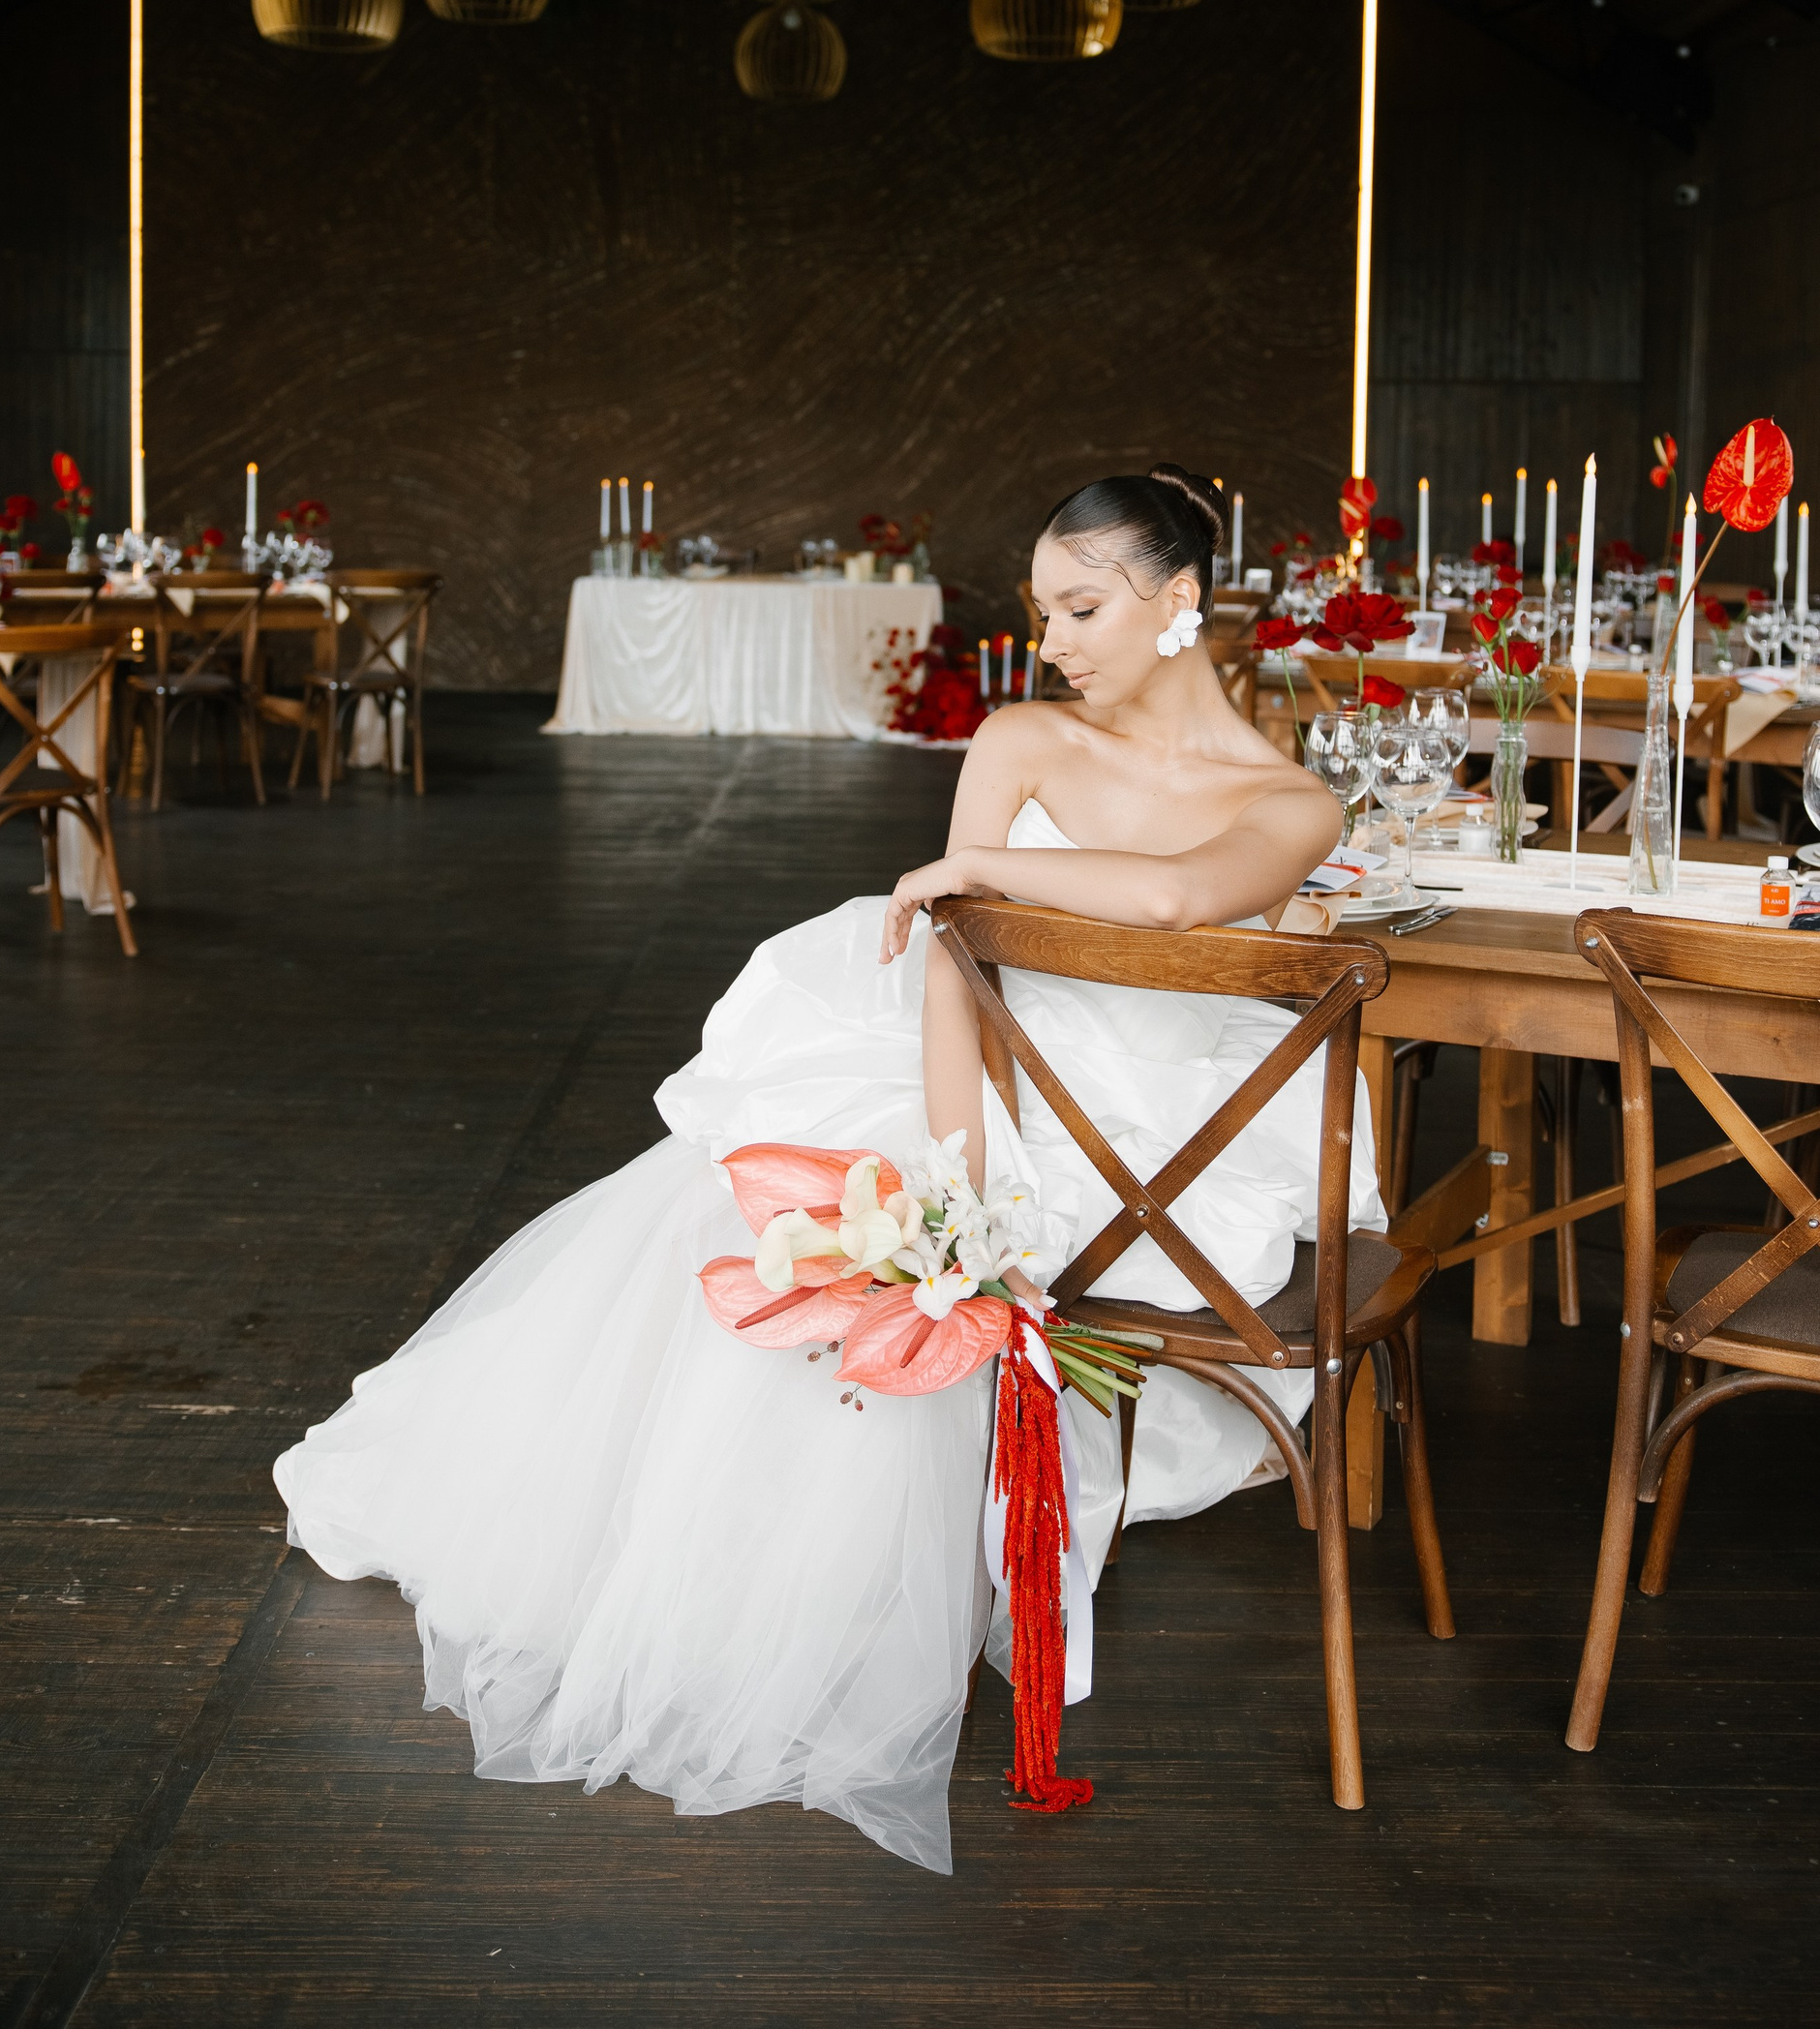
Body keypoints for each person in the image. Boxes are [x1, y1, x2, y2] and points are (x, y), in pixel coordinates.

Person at [275, 466, 1373, 1875]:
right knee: (768, 1206)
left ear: (1180, 601)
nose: (1053, 643)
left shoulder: (1292, 802)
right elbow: (955, 974)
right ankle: (711, 1577)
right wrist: (959, 1192)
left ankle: (845, 1573)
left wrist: (967, 869)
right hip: (984, 1095)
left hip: (1152, 1149)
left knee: (845, 1240)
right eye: (1043, 613)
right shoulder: (1024, 736)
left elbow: (1173, 898)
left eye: (1084, 610)